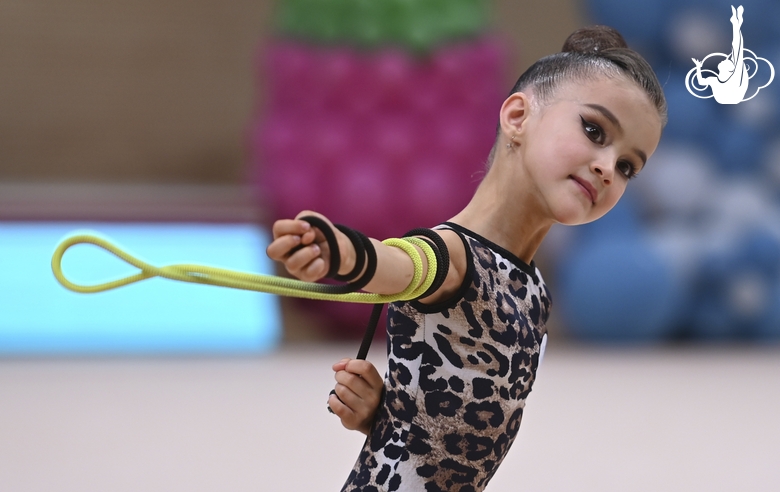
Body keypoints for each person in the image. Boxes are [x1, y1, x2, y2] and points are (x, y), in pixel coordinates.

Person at [266, 25, 666, 492]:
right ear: (518, 116)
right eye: (595, 131)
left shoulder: (534, 290)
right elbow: (403, 264)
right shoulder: (455, 256)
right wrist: (343, 252)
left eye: (627, 167)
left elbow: (445, 429)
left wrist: (387, 418)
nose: (607, 168)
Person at [692, 5, 749, 104]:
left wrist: (736, 26)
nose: (725, 60)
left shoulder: (733, 80)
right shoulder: (714, 80)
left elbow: (737, 48)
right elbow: (701, 81)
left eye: (727, 62)